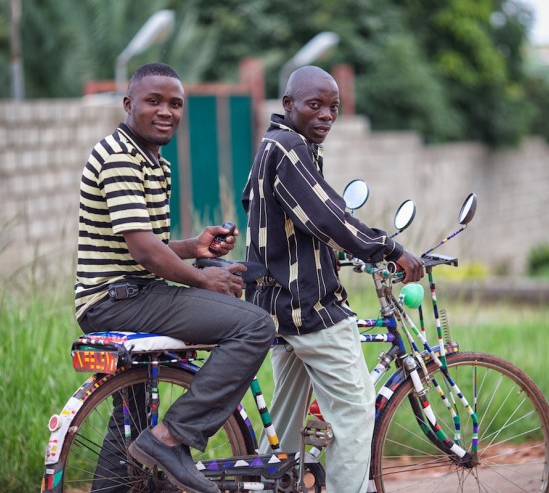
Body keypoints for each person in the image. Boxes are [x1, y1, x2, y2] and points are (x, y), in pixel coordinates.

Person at [75, 62, 274, 493]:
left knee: (130, 421)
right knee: (256, 325)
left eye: (176, 104)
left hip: (127, 292)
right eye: (154, 101)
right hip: (118, 299)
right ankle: (171, 439)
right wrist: (204, 280)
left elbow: (151, 245)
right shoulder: (119, 157)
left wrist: (194, 249)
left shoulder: (154, 162)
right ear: (129, 104)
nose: (166, 111)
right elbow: (144, 251)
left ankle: (139, 456)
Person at [241, 65, 425, 493]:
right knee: (357, 413)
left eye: (334, 108)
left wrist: (337, 250)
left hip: (277, 309)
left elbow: (299, 223)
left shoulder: (274, 146)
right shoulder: (289, 148)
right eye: (315, 105)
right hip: (312, 310)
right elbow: (330, 218)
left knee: (284, 433)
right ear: (288, 105)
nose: (326, 115)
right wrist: (391, 250)